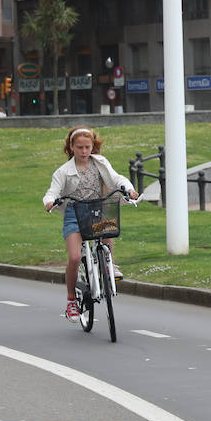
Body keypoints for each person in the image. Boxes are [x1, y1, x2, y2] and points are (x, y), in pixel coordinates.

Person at [43, 126, 139, 320]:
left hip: (97, 210)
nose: (84, 151)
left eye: (88, 147)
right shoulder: (63, 171)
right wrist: (50, 202)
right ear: (71, 147)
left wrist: (128, 189)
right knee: (74, 258)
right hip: (74, 214)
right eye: (80, 147)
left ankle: (109, 263)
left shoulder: (100, 162)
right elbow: (52, 191)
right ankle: (71, 300)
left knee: (108, 228)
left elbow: (116, 178)